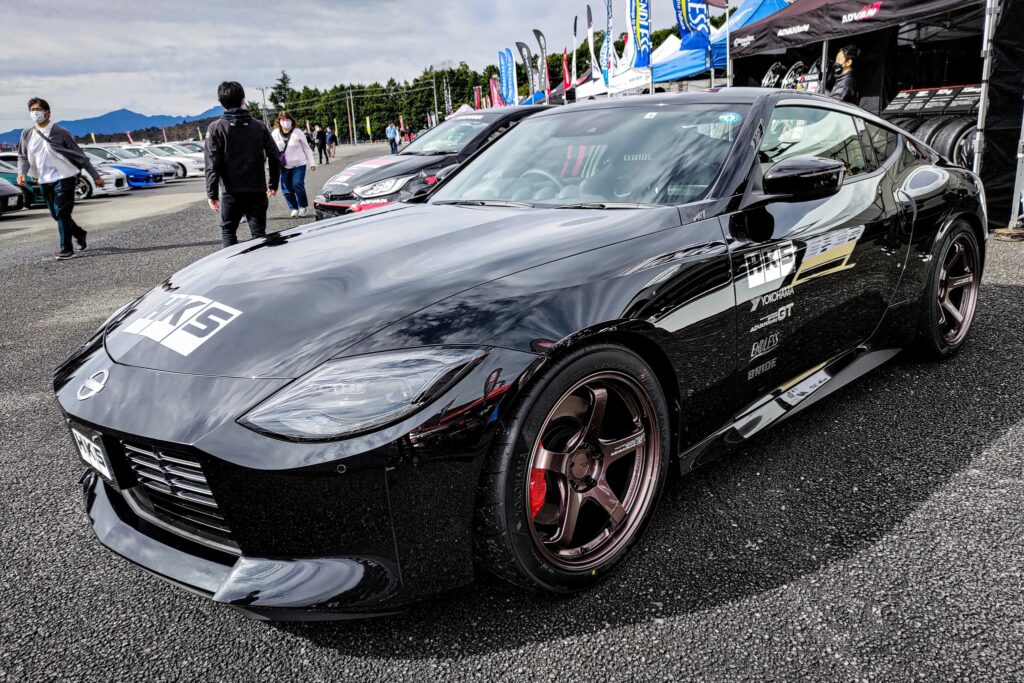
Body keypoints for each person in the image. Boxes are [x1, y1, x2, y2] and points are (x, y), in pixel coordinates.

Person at [16, 97, 104, 260]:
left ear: (48, 113)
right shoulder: (27, 133)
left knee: (62, 213)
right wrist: (22, 172)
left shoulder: (60, 132)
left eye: (38, 110)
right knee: (55, 214)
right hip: (43, 179)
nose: (34, 113)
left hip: (64, 177)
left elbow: (80, 156)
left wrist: (95, 176)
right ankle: (79, 233)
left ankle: (66, 249)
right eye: (32, 110)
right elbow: (22, 155)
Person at [204, 81, 280, 247]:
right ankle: (260, 269)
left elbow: (212, 163)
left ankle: (232, 268)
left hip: (231, 192)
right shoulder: (259, 126)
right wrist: (273, 183)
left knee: (228, 230)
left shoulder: (216, 128)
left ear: (221, 102)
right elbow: (274, 155)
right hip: (257, 189)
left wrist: (212, 193)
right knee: (258, 232)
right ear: (242, 99)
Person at [271, 111, 316, 218]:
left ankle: (302, 206)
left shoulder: (297, 132)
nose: (285, 122)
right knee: (286, 188)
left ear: (291, 120)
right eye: (282, 120)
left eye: (287, 119)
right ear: (279, 121)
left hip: (299, 164)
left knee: (297, 184)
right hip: (283, 165)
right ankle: (294, 208)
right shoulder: (275, 133)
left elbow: (306, 148)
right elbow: (271, 149)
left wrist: (312, 162)